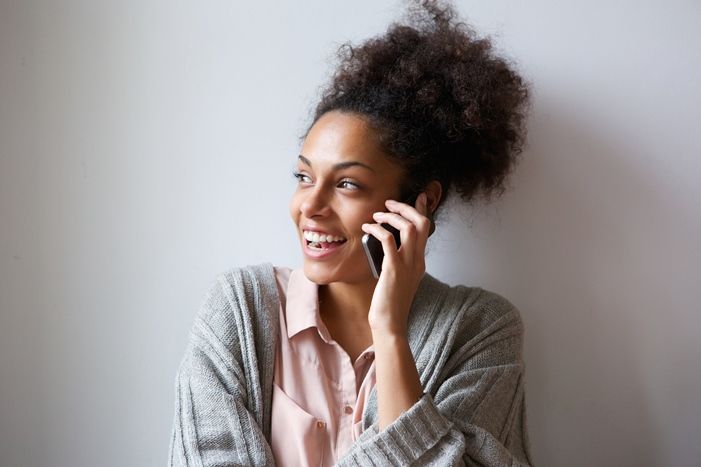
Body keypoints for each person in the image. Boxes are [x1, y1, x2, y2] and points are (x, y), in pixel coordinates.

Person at [168, 1, 533, 465]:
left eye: (347, 184)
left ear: (422, 202)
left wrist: (391, 333)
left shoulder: (481, 329)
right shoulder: (241, 311)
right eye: (303, 177)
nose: (311, 207)